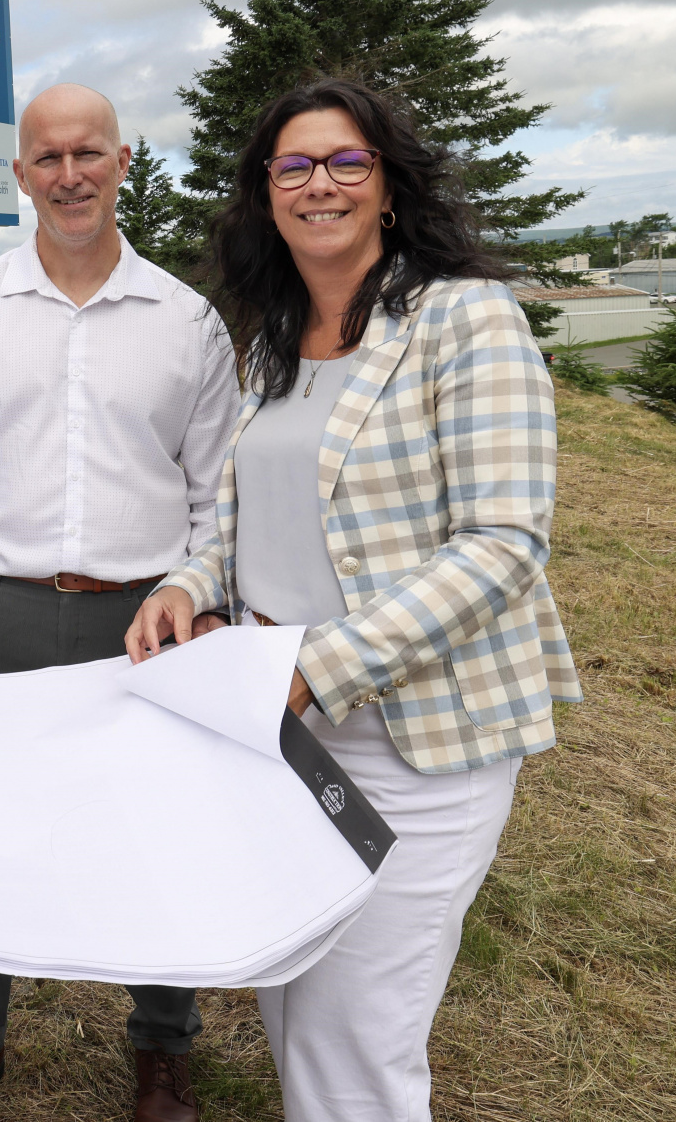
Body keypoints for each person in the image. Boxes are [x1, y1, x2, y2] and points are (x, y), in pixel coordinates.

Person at [127, 78, 580, 1122]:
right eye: (291, 165)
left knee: (355, 1048)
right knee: (296, 1005)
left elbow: (501, 544)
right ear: (263, 193)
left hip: (420, 741)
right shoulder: (270, 343)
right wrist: (185, 586)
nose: (317, 183)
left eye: (344, 162)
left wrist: (310, 670)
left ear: (386, 187)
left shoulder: (464, 319)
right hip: (287, 741)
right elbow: (244, 519)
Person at [0, 84, 240, 1122]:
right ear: (18, 175)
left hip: (147, 621)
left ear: (123, 162)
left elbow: (220, 489)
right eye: (47, 158)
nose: (69, 175)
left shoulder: (185, 320)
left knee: (158, 832)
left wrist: (195, 586)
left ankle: (163, 1047)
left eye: (89, 153)